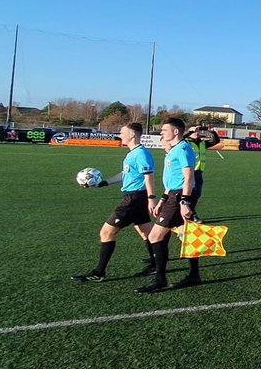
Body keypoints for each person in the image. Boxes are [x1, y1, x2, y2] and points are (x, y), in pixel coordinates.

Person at [71, 122, 159, 283]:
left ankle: (99, 272)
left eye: (123, 132)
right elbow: (124, 174)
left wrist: (152, 198)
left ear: (132, 134)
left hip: (133, 199)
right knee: (147, 233)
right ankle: (156, 265)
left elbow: (149, 177)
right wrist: (103, 183)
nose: (120, 135)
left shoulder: (140, 154)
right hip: (135, 197)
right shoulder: (133, 153)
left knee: (106, 232)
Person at [135, 118, 201, 293]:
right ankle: (194, 275)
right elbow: (172, 181)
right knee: (185, 235)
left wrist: (184, 202)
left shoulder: (183, 149)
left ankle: (160, 280)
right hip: (173, 195)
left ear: (176, 131)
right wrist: (162, 200)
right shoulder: (174, 150)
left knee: (155, 236)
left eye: (165, 130)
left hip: (179, 197)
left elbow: (189, 178)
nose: (162, 132)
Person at [184, 124, 220, 218]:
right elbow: (180, 139)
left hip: (199, 172)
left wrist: (213, 132)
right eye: (194, 131)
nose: (196, 133)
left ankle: (190, 211)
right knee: (191, 194)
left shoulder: (202, 143)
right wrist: (190, 132)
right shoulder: (186, 143)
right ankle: (192, 213)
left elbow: (216, 141)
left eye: (197, 131)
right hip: (190, 172)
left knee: (197, 194)